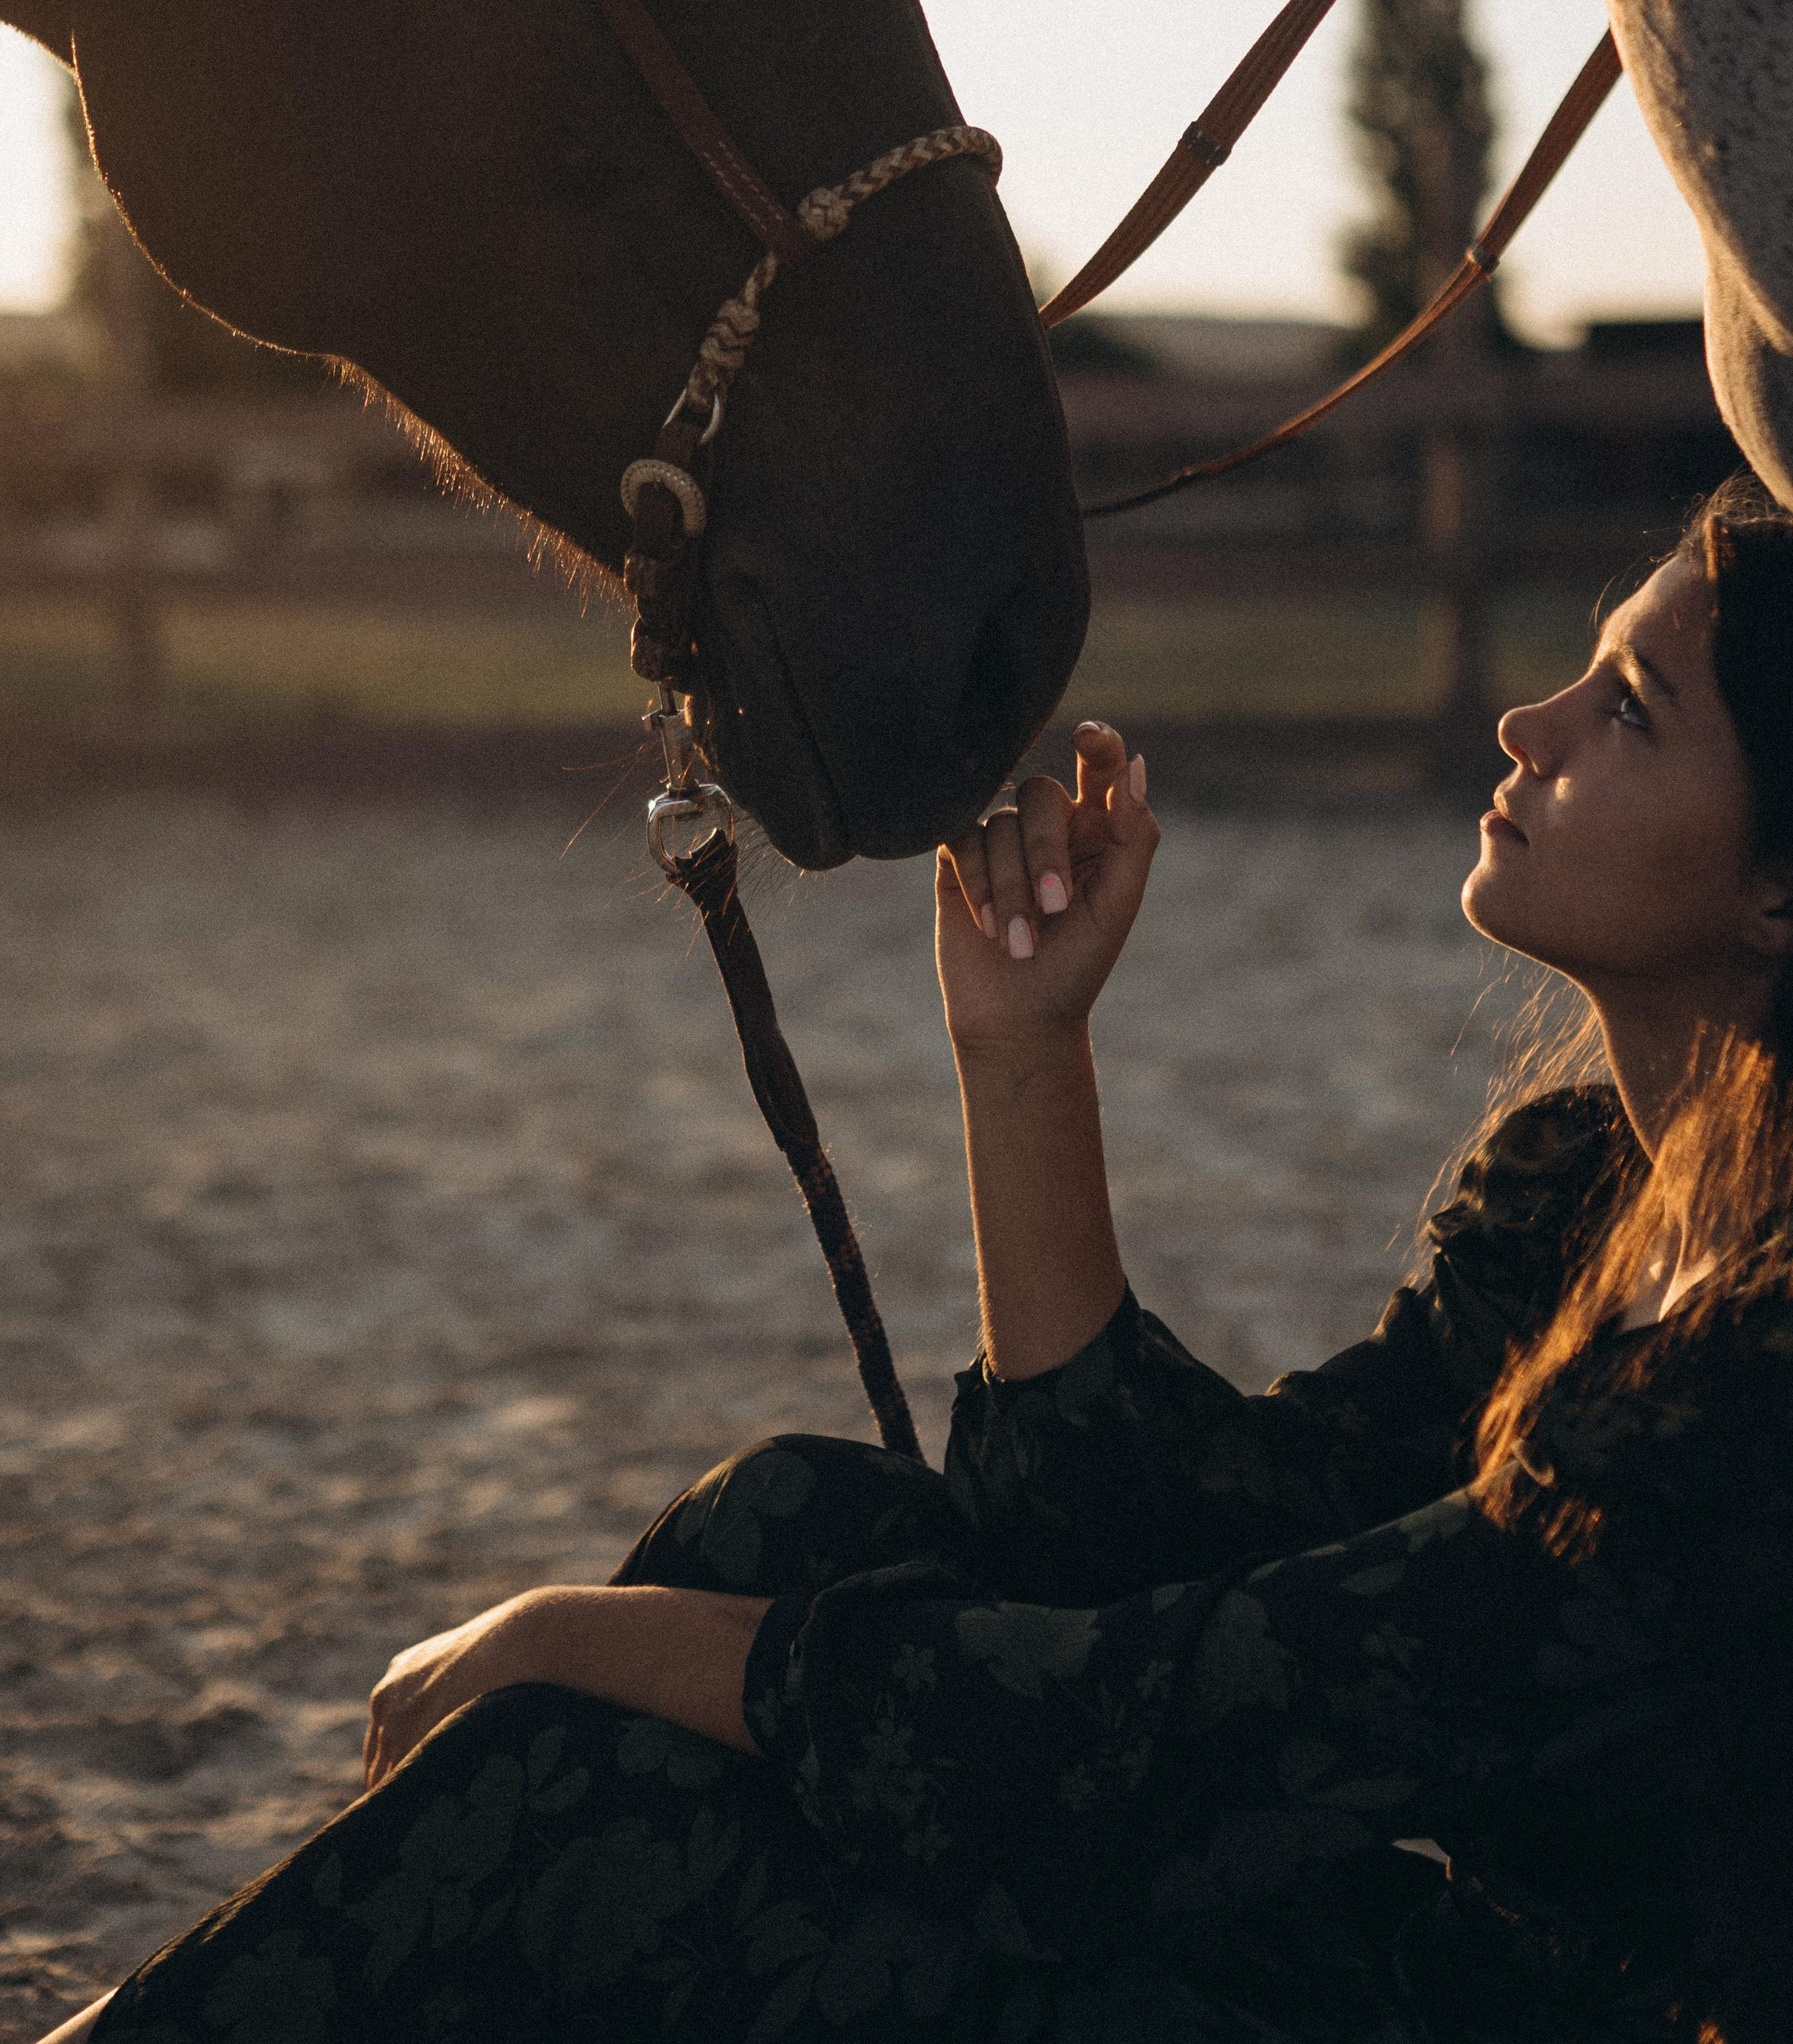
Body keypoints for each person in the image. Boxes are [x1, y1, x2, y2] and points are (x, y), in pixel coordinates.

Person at [46, 471, 1793, 2044]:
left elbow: (1124, 1739)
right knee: (800, 1521)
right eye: (1581, 660)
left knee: (615, 1805)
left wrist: (566, 1636)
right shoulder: (1583, 1187)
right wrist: (1023, 1054)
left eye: (1626, 711)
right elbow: (1147, 1542)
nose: (1524, 717)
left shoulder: (1751, 1357)